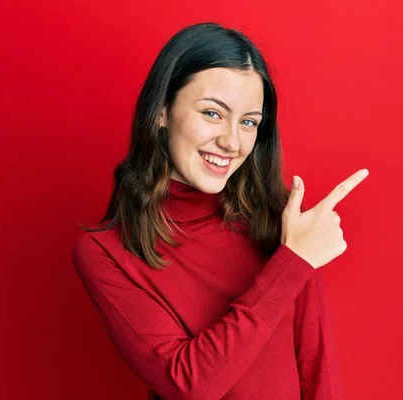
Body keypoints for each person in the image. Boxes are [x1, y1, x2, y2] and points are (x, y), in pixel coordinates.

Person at [72, 21, 369, 400]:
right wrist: (292, 264)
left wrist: (295, 256)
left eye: (248, 122)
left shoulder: (283, 220)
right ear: (162, 111)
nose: (231, 141)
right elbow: (191, 384)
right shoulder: (106, 253)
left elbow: (317, 366)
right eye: (212, 113)